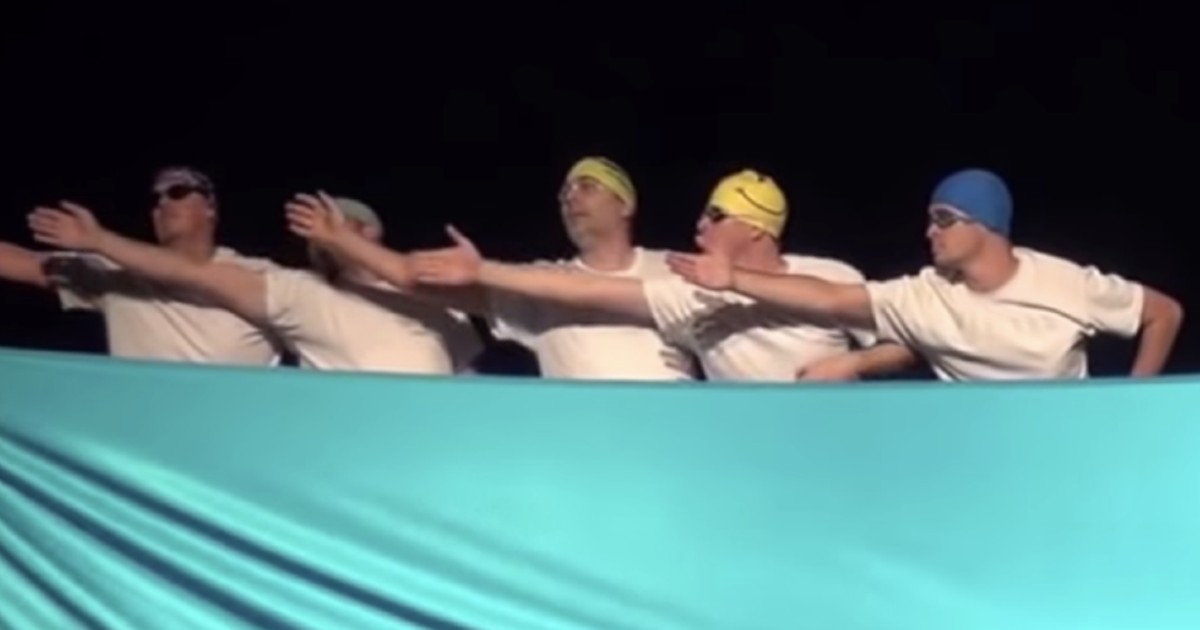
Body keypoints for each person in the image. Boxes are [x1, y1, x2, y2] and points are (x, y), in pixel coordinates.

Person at [666, 168, 1184, 380]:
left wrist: (1129, 402)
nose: (929, 231)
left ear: (984, 225)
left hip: (1068, 445)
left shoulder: (1064, 283)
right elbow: (832, 299)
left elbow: (1164, 313)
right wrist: (733, 280)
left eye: (943, 219)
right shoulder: (925, 296)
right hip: (978, 458)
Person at [405, 169, 917, 381]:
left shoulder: (830, 273)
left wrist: (853, 365)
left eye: (715, 216)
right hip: (747, 459)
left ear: (756, 228)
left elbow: (911, 340)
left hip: (837, 444)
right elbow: (590, 289)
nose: (698, 226)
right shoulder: (692, 294)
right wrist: (484, 269)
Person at [286, 157, 697, 380]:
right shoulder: (535, 284)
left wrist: (482, 269)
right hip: (581, 450)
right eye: (564, 193)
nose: (570, 198)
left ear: (625, 205)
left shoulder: (672, 269)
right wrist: (341, 240)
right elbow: (413, 277)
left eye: (586, 187)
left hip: (667, 437)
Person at [28, 192, 481, 375]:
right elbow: (193, 273)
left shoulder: (436, 293)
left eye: (342, 224)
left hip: (435, 451)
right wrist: (99, 241)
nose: (324, 233)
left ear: (371, 232)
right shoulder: (297, 292)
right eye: (317, 229)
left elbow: (466, 377)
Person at [0, 166, 282, 366]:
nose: (163, 203)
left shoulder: (260, 276)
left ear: (211, 207)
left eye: (177, 192)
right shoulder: (118, 273)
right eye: (156, 199)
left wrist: (100, 239)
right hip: (138, 428)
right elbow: (29, 264)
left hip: (230, 426)